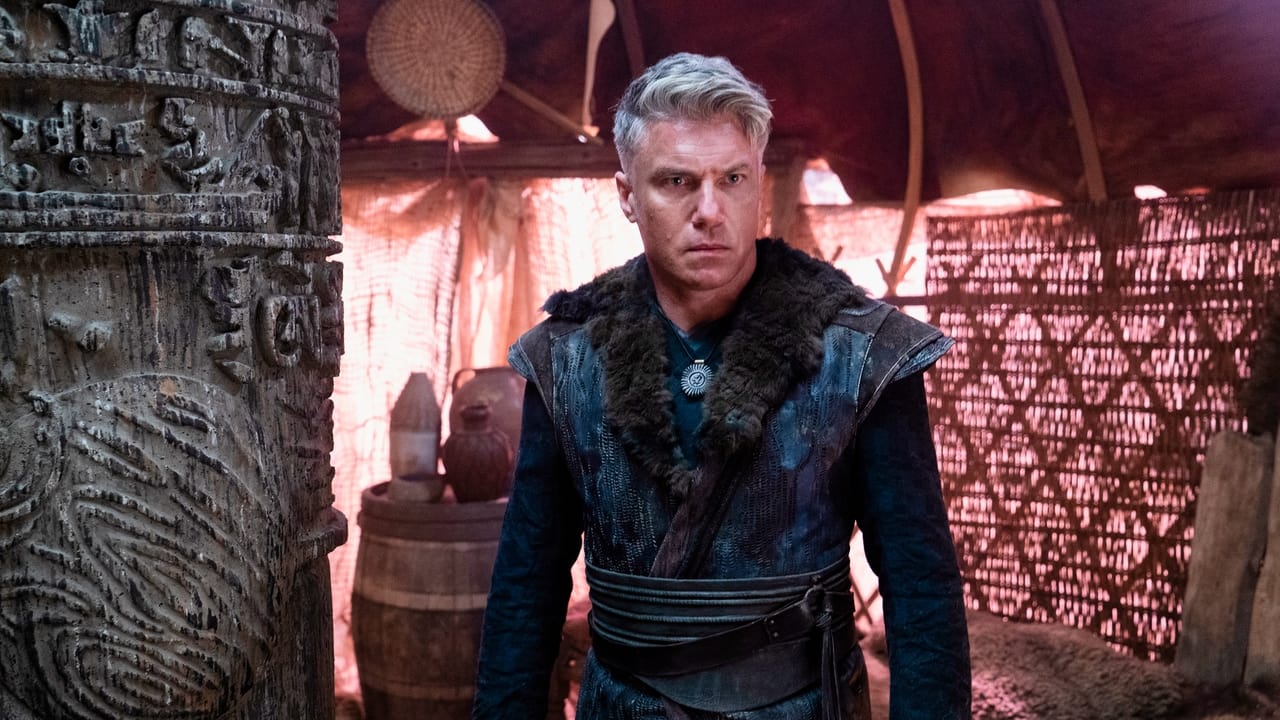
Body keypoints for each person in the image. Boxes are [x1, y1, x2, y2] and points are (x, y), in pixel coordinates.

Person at [472, 52, 971, 720]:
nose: (709, 210)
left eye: (731, 179)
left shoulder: (861, 356)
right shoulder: (565, 358)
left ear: (758, 181)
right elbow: (526, 586)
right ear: (627, 195)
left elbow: (920, 586)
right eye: (676, 181)